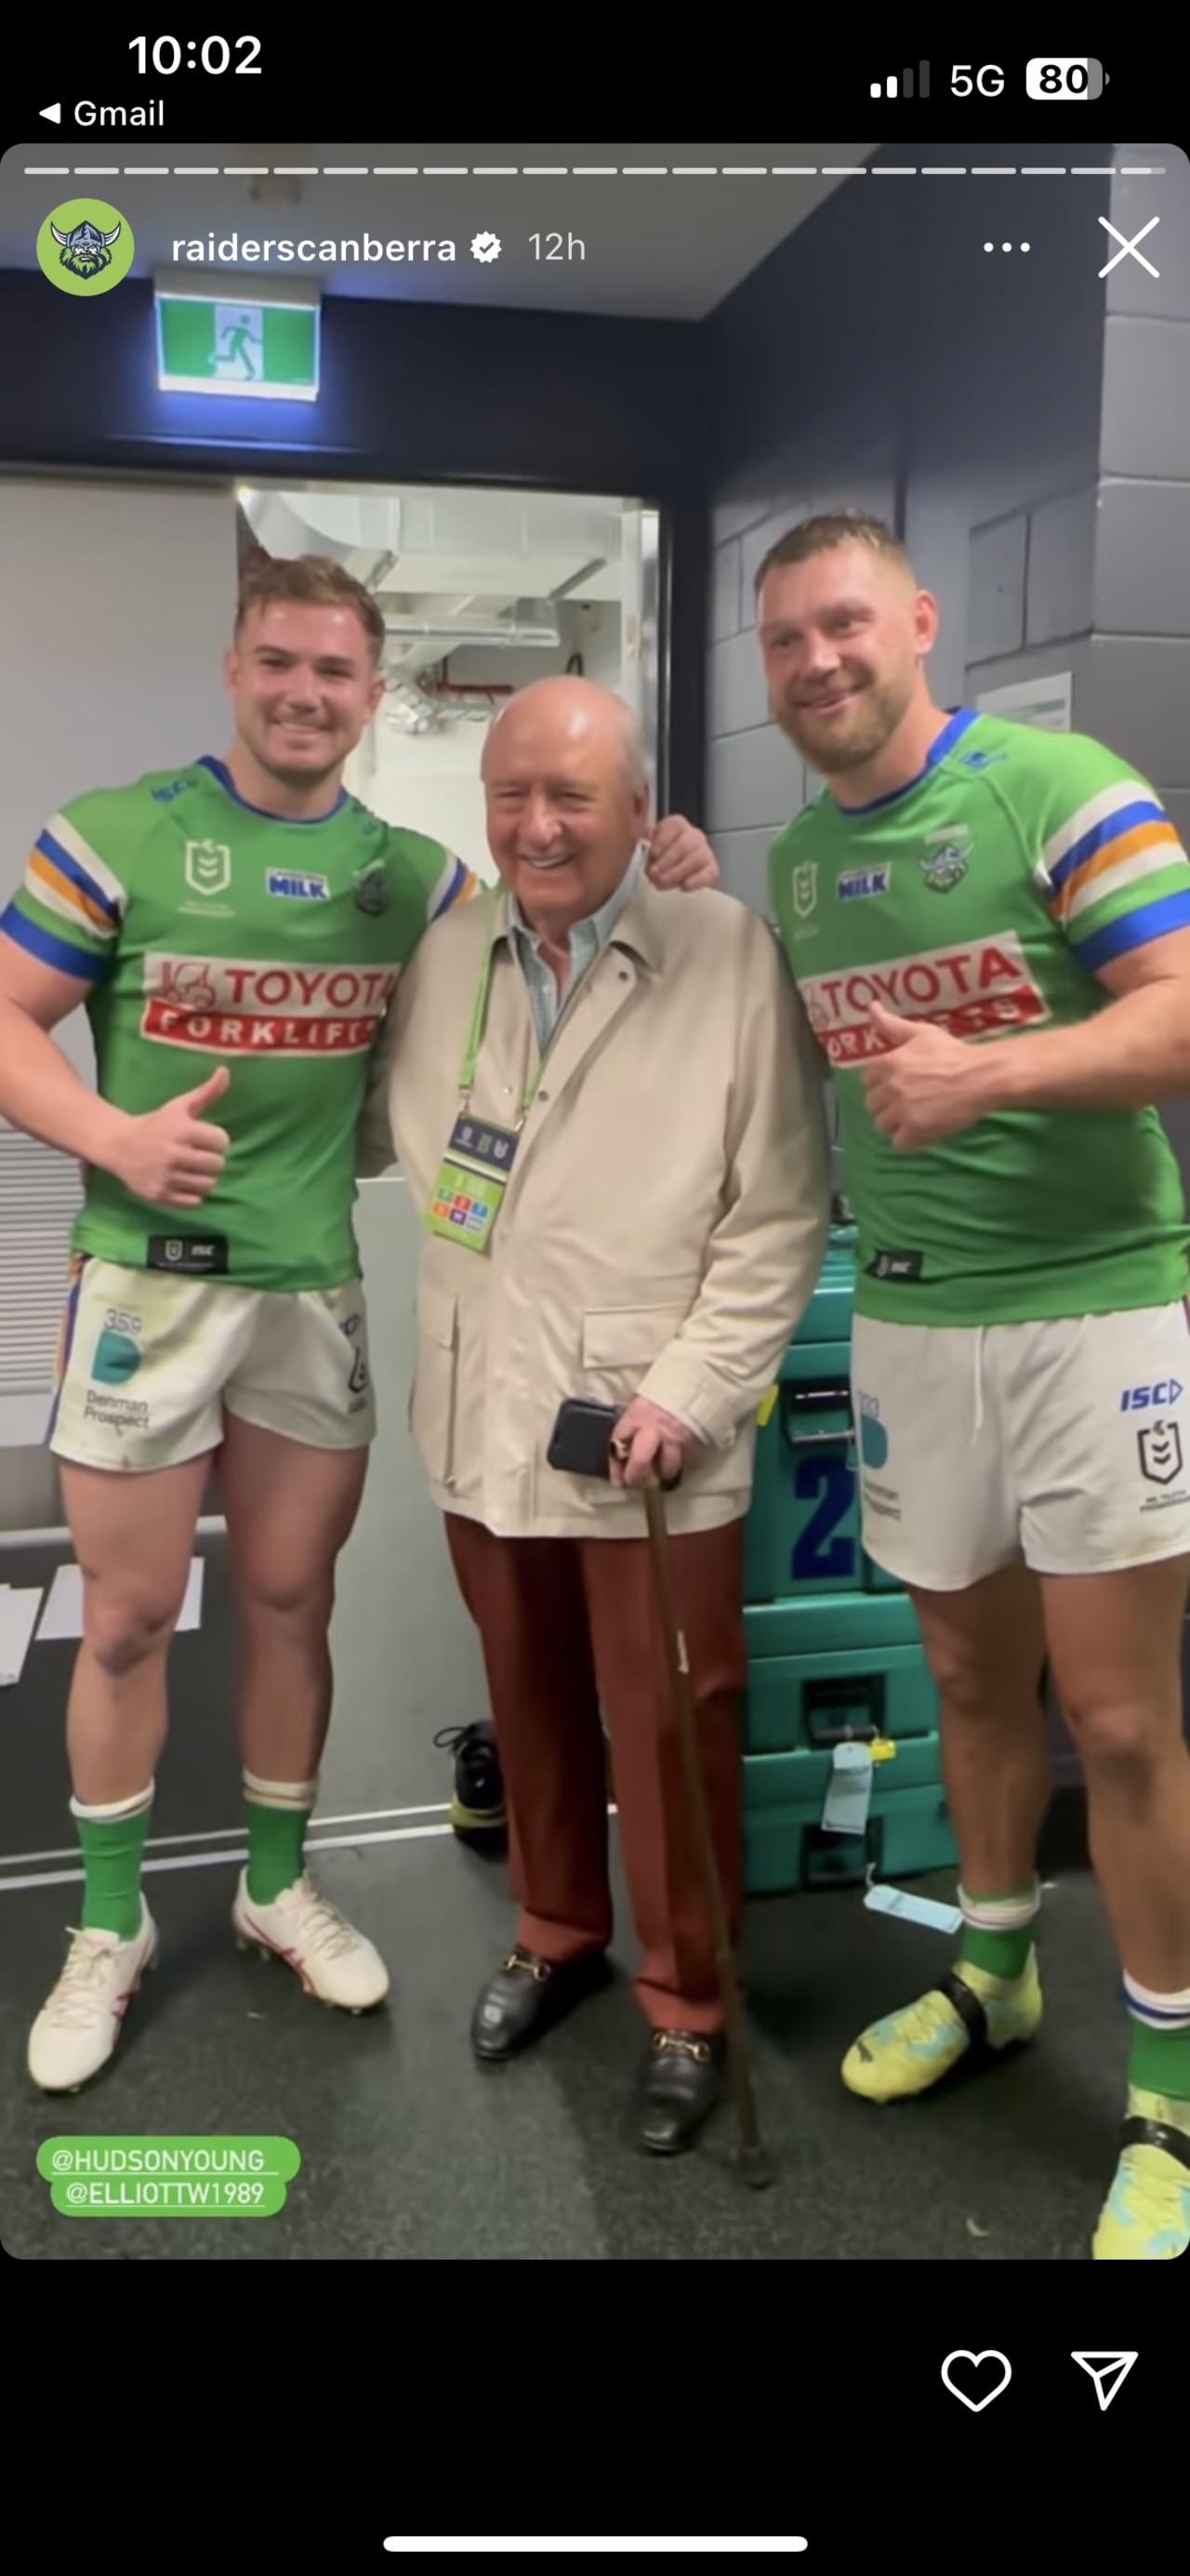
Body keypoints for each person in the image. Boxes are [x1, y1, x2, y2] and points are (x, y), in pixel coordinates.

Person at [0, 556, 719, 2095]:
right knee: (124, 1618)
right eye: (279, 662)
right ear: (233, 666)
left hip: (309, 1289)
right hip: (147, 1285)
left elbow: (559, 922)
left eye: (335, 670)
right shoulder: (118, 832)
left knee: (289, 1605)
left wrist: (671, 866)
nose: (306, 693)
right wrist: (108, 1137)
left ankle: (274, 1883)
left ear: (371, 690)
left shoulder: (412, 876)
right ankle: (108, 1926)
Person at [757, 509, 1190, 2261]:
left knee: (1120, 1716)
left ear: (919, 620)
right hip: (913, 1327)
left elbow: (1178, 1013)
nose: (816, 663)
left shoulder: (1058, 781)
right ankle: (994, 1971)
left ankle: (1167, 2093)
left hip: (1096, 1316)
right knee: (962, 1676)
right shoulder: (794, 865)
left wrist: (993, 1072)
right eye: (785, 640)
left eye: (844, 623)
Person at [358, 674, 831, 2155]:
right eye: (512, 794)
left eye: (573, 795)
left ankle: (689, 1998)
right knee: (531, 1688)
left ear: (642, 807)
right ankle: (557, 1927)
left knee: (673, 1712)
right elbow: (381, 1125)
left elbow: (779, 1212)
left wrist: (691, 1390)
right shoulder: (448, 954)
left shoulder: (723, 946)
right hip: (487, 1400)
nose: (539, 824)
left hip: (647, 1425)